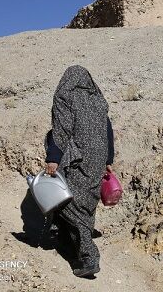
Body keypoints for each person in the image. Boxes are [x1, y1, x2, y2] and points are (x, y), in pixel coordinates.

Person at [44, 65, 114, 278]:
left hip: (75, 159)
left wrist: (53, 158)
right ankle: (66, 242)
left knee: (68, 204)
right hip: (97, 160)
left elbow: (62, 130)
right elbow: (108, 132)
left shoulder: (65, 97)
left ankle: (88, 256)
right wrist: (108, 160)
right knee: (85, 204)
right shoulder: (98, 100)